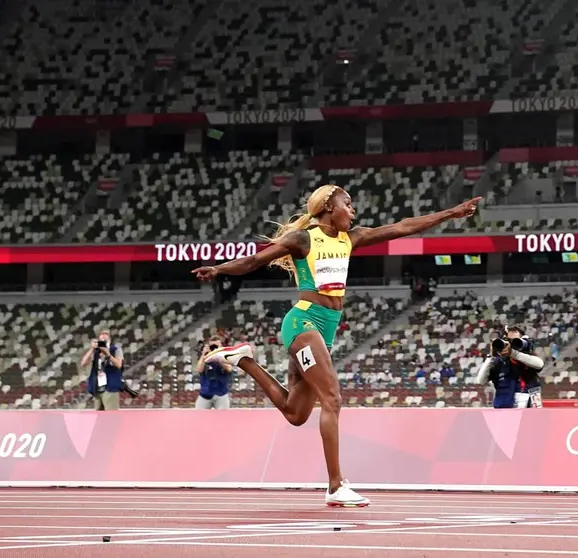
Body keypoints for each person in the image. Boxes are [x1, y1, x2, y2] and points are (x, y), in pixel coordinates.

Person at [192, 184, 480, 507]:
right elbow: (254, 261)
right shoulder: (302, 239)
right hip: (303, 323)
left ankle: (245, 360)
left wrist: (452, 213)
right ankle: (335, 485)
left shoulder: (350, 239)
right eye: (348, 204)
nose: (353, 211)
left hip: (324, 331)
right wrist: (218, 269)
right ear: (329, 205)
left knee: (295, 412)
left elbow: (402, 227)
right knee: (333, 398)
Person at [477, 325, 545, 408]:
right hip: (504, 412)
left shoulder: (527, 359)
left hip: (528, 411)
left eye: (515, 342)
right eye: (508, 341)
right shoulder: (498, 362)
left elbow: (539, 364)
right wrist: (491, 356)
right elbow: (481, 380)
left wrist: (513, 353)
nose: (511, 345)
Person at [79, 330, 124, 411]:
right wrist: (92, 349)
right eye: (101, 335)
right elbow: (83, 363)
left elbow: (119, 365)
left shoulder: (116, 349)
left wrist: (108, 354)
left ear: (109, 339)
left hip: (110, 387)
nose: (103, 336)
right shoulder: (96, 352)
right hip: (97, 387)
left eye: (106, 335)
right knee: (99, 415)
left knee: (111, 416)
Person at [195, 335, 233, 409]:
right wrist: (204, 354)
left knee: (224, 418)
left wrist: (218, 357)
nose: (214, 348)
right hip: (205, 393)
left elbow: (229, 368)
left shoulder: (226, 356)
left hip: (221, 394)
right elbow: (199, 369)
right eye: (212, 346)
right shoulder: (205, 358)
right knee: (198, 416)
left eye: (217, 346)